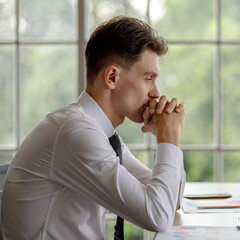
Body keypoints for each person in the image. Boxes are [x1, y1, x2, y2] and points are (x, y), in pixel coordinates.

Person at [1, 16, 186, 239]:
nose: (156, 93)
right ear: (112, 77)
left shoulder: (101, 134)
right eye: (148, 78)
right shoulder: (76, 133)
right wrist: (168, 138)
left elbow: (171, 200)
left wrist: (167, 135)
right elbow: (157, 216)